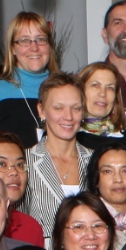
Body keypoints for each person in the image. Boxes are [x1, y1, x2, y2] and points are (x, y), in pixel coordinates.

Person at [25, 74, 92, 240]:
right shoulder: (25, 162)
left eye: (75, 108)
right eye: (58, 108)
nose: (68, 117)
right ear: (41, 110)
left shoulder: (96, 161)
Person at [0, 12, 54, 148]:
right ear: (13, 48)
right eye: (24, 40)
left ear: (49, 46)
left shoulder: (67, 91)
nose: (34, 47)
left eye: (41, 39)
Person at [74, 61, 126, 154]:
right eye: (95, 85)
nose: (103, 93)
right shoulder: (67, 138)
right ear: (80, 90)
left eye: (110, 88)